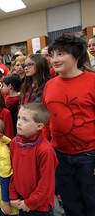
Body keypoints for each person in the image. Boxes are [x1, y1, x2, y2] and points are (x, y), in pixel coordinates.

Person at [43, 32, 95, 216]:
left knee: (92, 201)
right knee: (70, 201)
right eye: (52, 54)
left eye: (61, 54)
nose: (54, 59)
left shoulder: (92, 81)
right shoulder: (50, 85)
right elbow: (47, 121)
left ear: (77, 55)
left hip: (89, 156)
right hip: (60, 155)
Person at [9, 103, 58, 215]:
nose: (19, 122)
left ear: (39, 126)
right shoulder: (14, 143)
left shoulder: (45, 151)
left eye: (25, 120)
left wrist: (30, 203)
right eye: (19, 118)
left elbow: (46, 183)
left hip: (39, 206)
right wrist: (12, 194)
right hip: (21, 201)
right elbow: (12, 171)